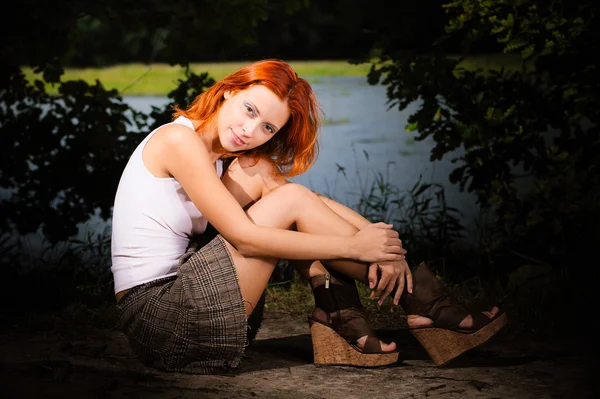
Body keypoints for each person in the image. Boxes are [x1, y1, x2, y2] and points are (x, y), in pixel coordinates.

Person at [110, 59, 507, 374]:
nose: (250, 130)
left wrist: (383, 246)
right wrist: (354, 245)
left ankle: (341, 311)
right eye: (249, 110)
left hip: (191, 305)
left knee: (277, 184)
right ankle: (420, 302)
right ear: (228, 90)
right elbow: (245, 238)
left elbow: (306, 202)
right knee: (292, 201)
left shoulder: (222, 162)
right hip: (161, 318)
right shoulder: (178, 140)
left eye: (267, 126)